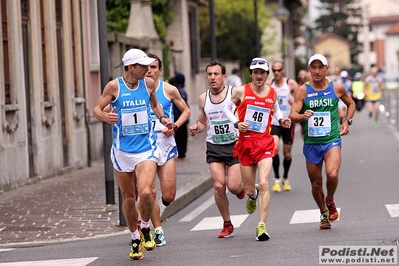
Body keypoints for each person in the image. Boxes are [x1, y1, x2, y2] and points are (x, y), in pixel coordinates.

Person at [93, 48, 173, 261]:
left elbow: (155, 104)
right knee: (129, 200)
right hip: (122, 151)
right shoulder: (114, 87)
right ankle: (135, 239)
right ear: (131, 67)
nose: (148, 69)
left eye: (149, 66)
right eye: (143, 66)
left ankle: (145, 227)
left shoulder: (148, 84)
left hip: (146, 148)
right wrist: (105, 117)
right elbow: (96, 109)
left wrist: (163, 117)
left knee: (146, 193)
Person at [223, 57, 291, 241]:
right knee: (250, 188)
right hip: (245, 144)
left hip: (264, 143)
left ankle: (262, 225)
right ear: (250, 74)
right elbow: (227, 109)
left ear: (267, 74)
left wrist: (282, 119)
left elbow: (275, 110)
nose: (259, 76)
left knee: (263, 183)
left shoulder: (272, 93)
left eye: (262, 72)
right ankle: (251, 197)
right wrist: (237, 123)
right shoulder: (240, 91)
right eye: (255, 72)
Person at [289, 54, 355, 230]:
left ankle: (330, 199)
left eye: (320, 67)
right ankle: (323, 212)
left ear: (326, 69)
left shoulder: (337, 88)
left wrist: (347, 121)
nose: (317, 71)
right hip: (311, 143)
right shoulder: (303, 90)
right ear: (309, 69)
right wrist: (303, 116)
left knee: (332, 174)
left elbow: (351, 104)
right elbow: (292, 114)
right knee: (316, 183)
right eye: (313, 68)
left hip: (331, 139)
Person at [189, 60, 245, 238]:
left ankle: (242, 189)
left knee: (234, 187)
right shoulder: (203, 98)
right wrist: (197, 127)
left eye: (216, 74)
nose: (212, 78)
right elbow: (203, 122)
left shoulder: (234, 92)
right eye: (210, 74)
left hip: (234, 145)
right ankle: (227, 224)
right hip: (214, 146)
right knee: (219, 186)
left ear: (224, 77)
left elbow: (250, 101)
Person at [145, 53, 191, 247]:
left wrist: (176, 126)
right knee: (150, 190)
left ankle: (153, 212)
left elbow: (187, 111)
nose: (149, 70)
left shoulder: (169, 89)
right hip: (145, 145)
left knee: (169, 195)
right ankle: (157, 230)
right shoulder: (137, 90)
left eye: (153, 67)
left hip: (166, 143)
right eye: (146, 67)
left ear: (160, 70)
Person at [266, 61, 299, 192]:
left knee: (287, 153)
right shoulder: (269, 85)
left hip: (288, 122)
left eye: (279, 70)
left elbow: (301, 101)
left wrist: (294, 101)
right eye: (274, 70)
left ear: (283, 70)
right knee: (274, 148)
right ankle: (277, 178)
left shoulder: (290, 83)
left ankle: (285, 176)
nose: (277, 72)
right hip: (275, 123)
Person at [173, 73, 189, 158]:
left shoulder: (177, 90)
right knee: (182, 137)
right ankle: (181, 153)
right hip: (180, 118)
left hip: (177, 117)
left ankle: (180, 153)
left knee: (179, 136)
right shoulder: (181, 91)